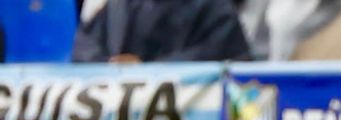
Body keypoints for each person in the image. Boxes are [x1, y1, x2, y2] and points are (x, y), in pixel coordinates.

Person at [72, 0, 251, 63]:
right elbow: (84, 48)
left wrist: (147, 71)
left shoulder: (212, 7)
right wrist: (109, 64)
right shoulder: (117, 7)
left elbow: (223, 54)